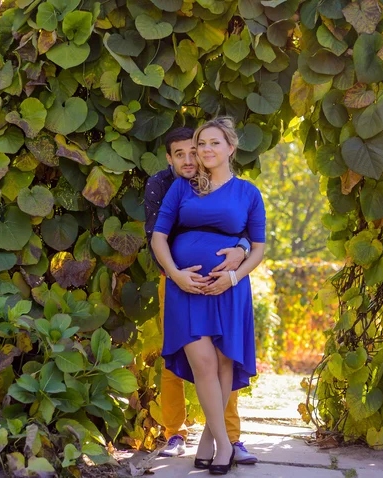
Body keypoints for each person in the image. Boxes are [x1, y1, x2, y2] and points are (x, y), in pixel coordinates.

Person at [151, 118, 266, 475]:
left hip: (228, 291)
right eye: (201, 143)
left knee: (223, 363)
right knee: (202, 363)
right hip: (185, 288)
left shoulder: (248, 192)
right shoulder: (182, 188)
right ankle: (226, 446)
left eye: (214, 143)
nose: (205, 150)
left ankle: (210, 444)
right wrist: (176, 275)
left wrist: (233, 275)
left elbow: (259, 248)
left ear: (230, 148)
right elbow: (158, 237)